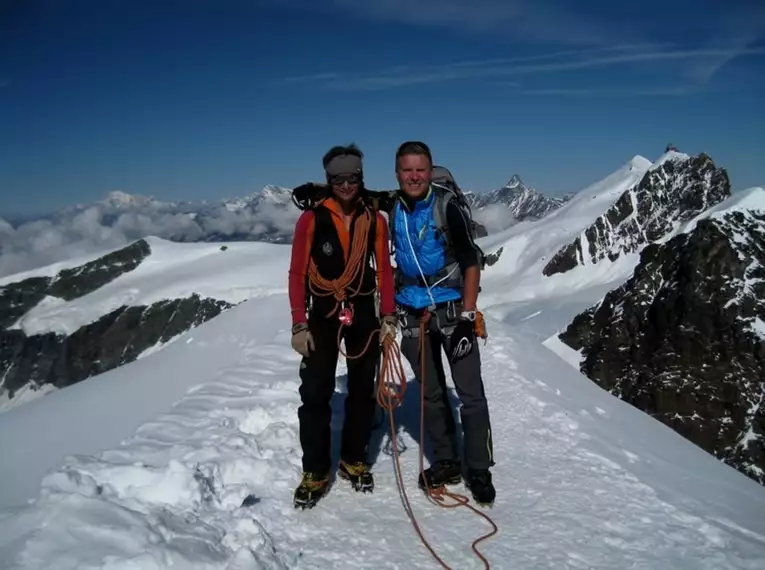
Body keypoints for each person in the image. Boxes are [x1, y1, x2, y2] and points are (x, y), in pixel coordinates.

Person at [287, 143, 398, 510]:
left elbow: (383, 269)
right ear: (329, 180)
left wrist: (388, 315)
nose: (347, 185)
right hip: (321, 310)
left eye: (353, 178)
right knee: (316, 391)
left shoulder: (374, 218)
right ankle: (316, 469)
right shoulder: (312, 218)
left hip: (363, 307)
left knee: (363, 388)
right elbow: (299, 273)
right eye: (339, 179)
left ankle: (354, 458)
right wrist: (298, 323)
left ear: (361, 178)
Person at [388, 140, 496, 506]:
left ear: (430, 171)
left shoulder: (445, 207)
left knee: (470, 395)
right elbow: (354, 192)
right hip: (412, 312)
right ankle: (449, 461)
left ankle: (478, 468)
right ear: (398, 174)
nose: (414, 176)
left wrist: (468, 316)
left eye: (421, 169)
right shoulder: (393, 207)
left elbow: (470, 260)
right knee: (431, 393)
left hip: (451, 312)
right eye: (407, 170)